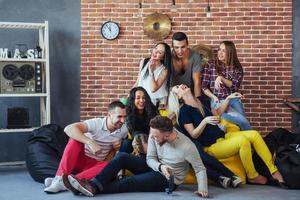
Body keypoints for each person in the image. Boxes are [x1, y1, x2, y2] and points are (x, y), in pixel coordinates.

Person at [62, 116, 209, 198]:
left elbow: (200, 168)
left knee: (129, 182)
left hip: (169, 179)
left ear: (167, 134)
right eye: (152, 135)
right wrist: (160, 166)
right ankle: (92, 185)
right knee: (122, 157)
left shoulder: (187, 146)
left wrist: (203, 188)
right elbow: (150, 158)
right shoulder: (155, 135)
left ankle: (87, 187)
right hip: (156, 167)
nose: (152, 138)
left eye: (156, 136)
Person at [168, 84, 285, 185]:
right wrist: (204, 121)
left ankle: (273, 170)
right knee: (243, 142)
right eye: (177, 88)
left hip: (223, 136)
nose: (181, 86)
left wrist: (228, 98)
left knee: (254, 134)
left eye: (179, 85)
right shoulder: (184, 112)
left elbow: (218, 113)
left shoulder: (201, 100)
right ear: (178, 97)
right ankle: (253, 176)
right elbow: (193, 134)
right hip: (212, 146)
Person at [44, 101, 128, 194]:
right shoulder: (96, 123)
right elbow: (68, 128)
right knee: (74, 139)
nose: (123, 120)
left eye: (124, 117)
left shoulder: (124, 129)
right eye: (119, 117)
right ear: (109, 115)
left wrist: (120, 144)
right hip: (79, 159)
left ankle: (63, 182)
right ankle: (59, 177)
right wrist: (90, 142)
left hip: (94, 165)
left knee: (111, 165)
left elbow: (124, 148)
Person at [202, 41, 251, 130]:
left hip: (233, 99)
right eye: (219, 49)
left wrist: (221, 78)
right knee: (243, 121)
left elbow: (235, 86)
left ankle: (246, 141)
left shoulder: (237, 68)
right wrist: (213, 97)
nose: (220, 53)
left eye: (224, 51)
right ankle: (252, 140)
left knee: (242, 123)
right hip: (218, 101)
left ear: (230, 53)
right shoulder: (211, 64)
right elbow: (204, 87)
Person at [119, 87, 158, 153]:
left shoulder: (152, 111)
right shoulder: (128, 113)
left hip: (152, 140)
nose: (141, 100)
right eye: (138, 98)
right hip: (135, 141)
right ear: (133, 100)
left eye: (143, 98)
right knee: (127, 142)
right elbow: (133, 133)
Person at [135, 42, 172, 107]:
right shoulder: (143, 62)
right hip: (143, 99)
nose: (155, 52)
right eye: (156, 48)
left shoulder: (164, 70)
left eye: (159, 52)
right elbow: (138, 81)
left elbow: (153, 89)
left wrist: (151, 72)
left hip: (161, 102)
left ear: (163, 57)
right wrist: (130, 94)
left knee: (162, 116)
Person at [171, 32, 203, 97]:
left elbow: (197, 82)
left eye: (183, 47)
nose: (180, 51)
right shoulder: (169, 56)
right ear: (172, 47)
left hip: (190, 94)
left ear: (187, 45)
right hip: (172, 94)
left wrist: (198, 102)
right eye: (176, 47)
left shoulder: (195, 56)